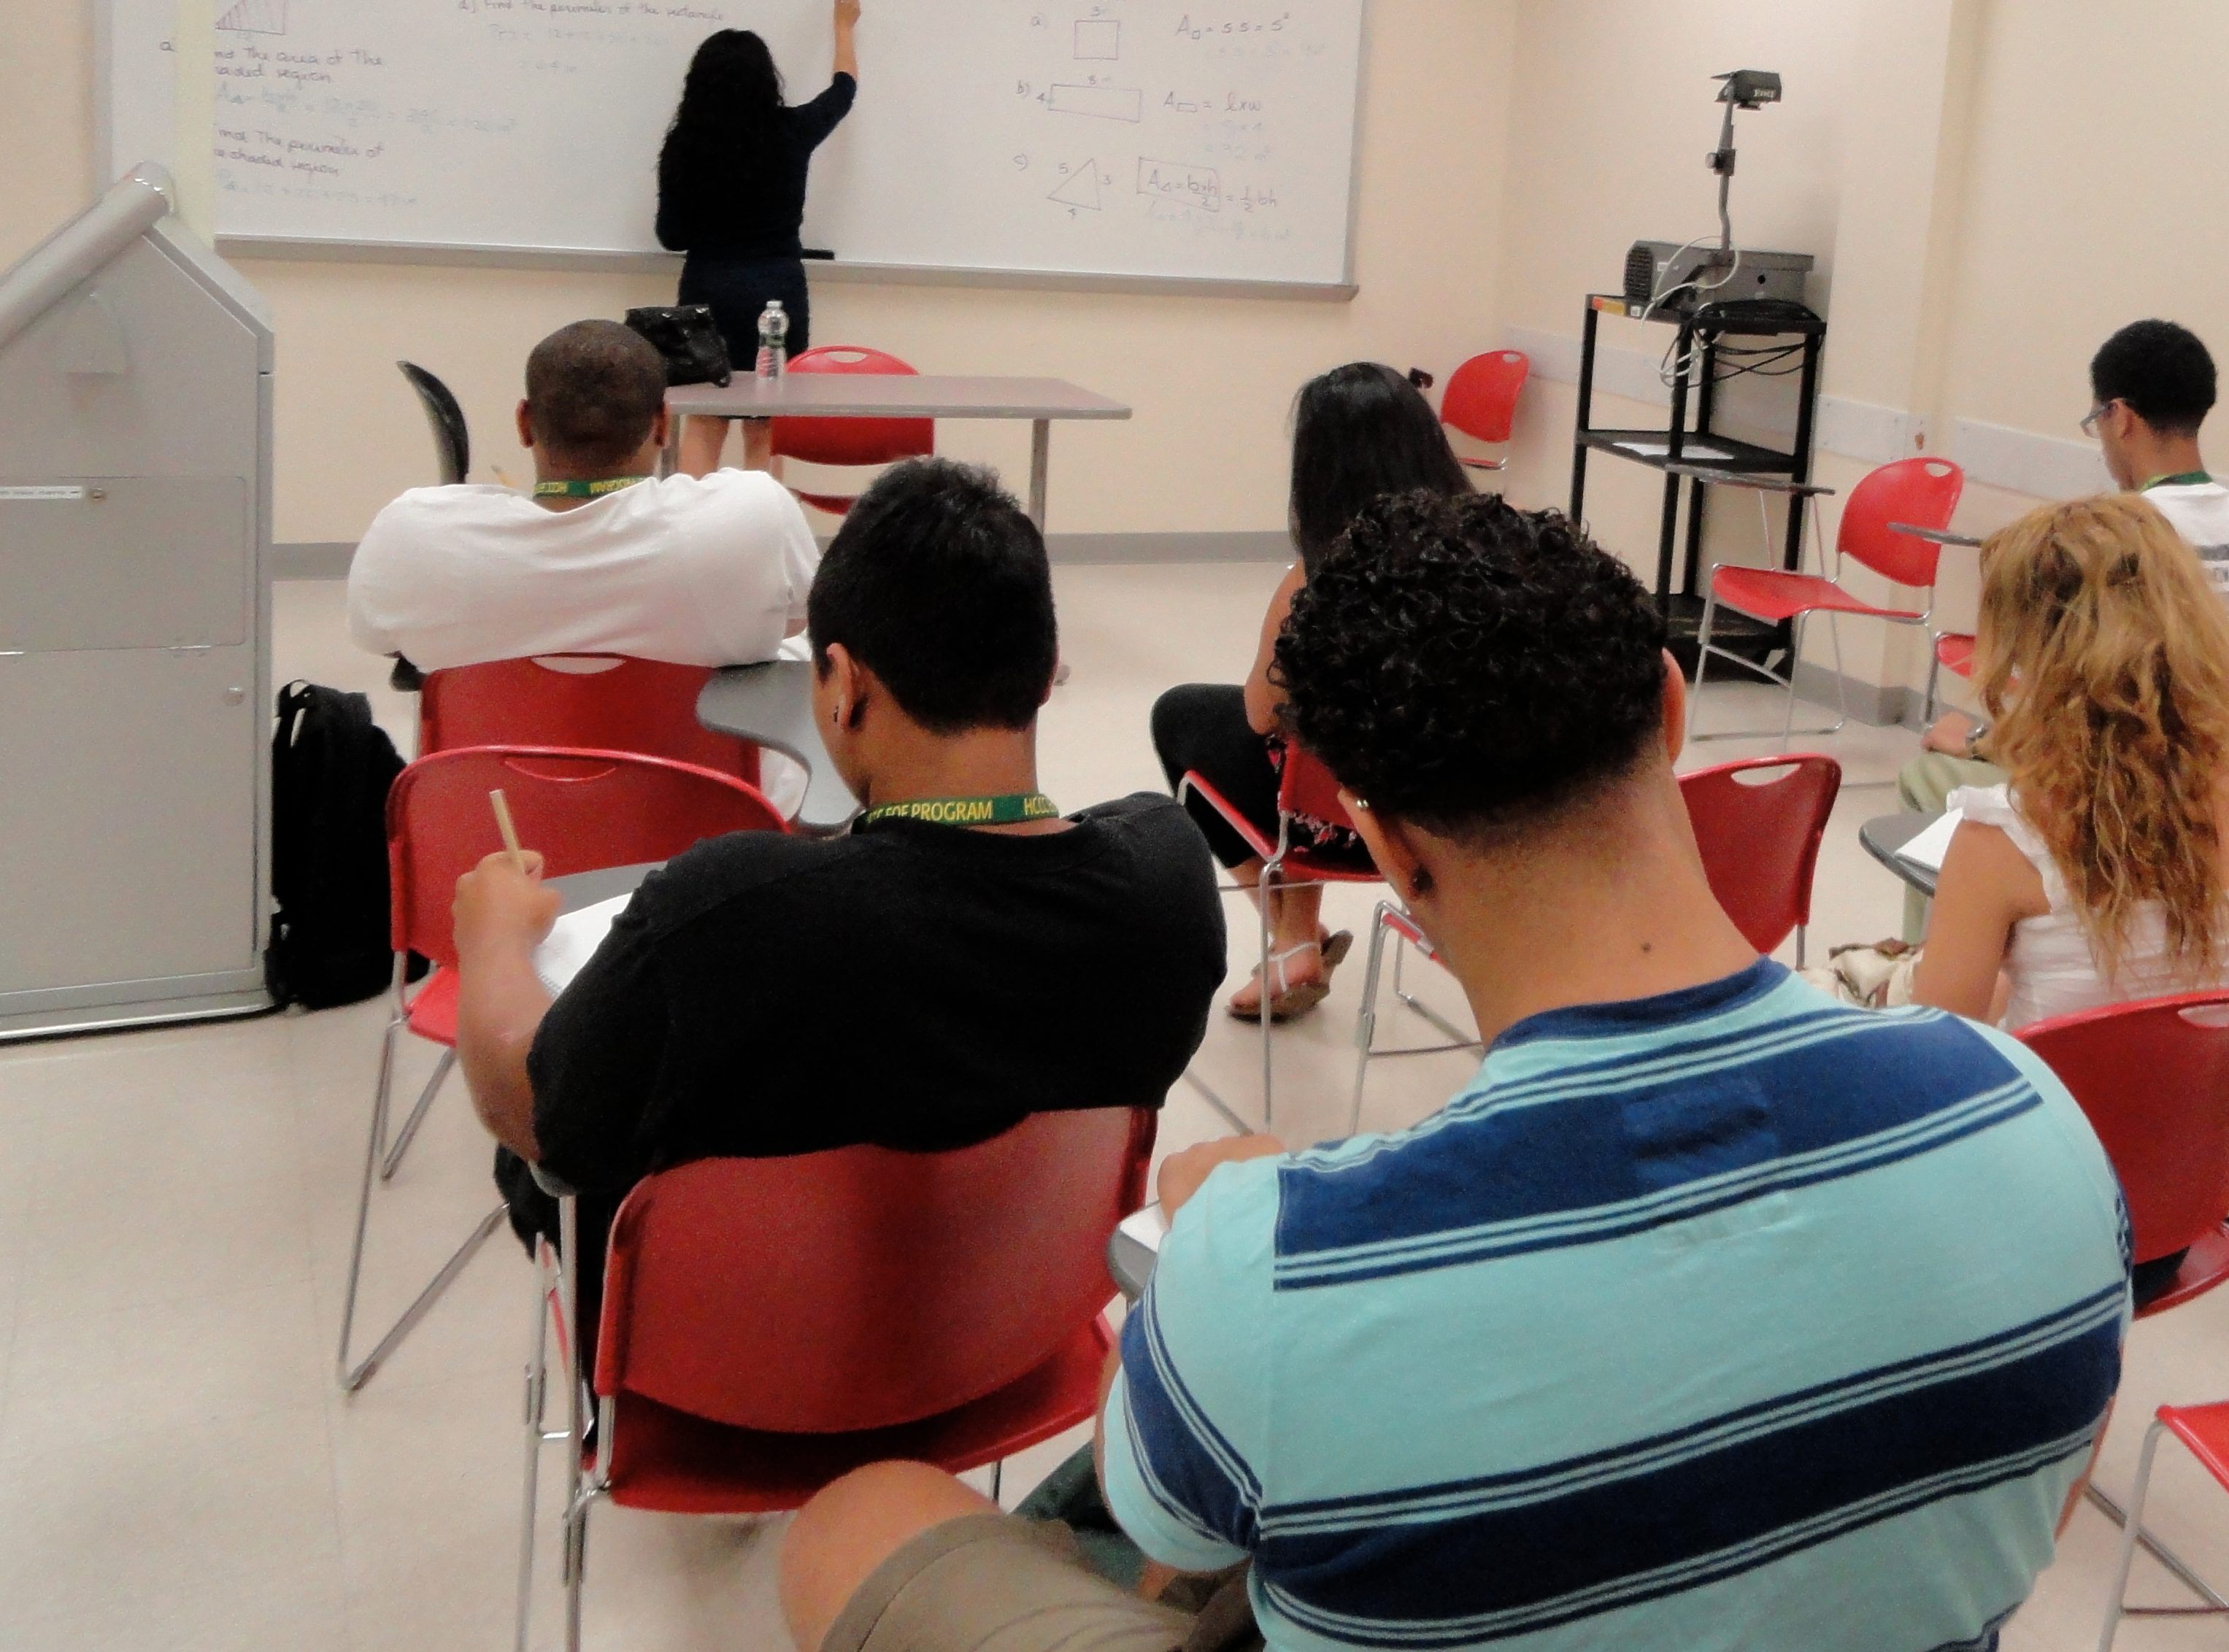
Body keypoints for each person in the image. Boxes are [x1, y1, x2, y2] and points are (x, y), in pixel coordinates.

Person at [780, 492, 2131, 1652]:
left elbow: (1166, 1520)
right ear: (1670, 711)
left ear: (1381, 841)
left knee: (859, 1522)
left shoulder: (1279, 1263)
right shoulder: (2039, 1124)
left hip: (1255, 1341)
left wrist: (1250, 1259)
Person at [450, 457, 1224, 1347]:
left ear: (846, 684)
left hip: (729, 1380)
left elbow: (533, 1113)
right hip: (1008, 1345)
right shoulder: (1167, 882)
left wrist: (496, 939)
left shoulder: (725, 915)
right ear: (1048, 672)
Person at [1910, 495, 2229, 1051]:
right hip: (2210, 1135)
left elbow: (1933, 1065)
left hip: (2059, 1134)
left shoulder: (2002, 842)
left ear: (2036, 659)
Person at [1149, 362, 1468, 1023]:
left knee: (1193, 717)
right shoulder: (1487, 549)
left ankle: (1293, 940)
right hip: (1453, 822)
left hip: (1347, 820)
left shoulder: (1315, 581)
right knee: (1318, 740)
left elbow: (1259, 712)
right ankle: (1298, 939)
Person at [1904, 319, 2229, 812]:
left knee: (1925, 775)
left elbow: (2078, 726)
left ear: (2120, 417)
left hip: (2156, 803)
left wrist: (1975, 739)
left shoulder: (2114, 535)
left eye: (2097, 420)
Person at [346, 318, 817, 674]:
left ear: (524, 424)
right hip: (704, 796)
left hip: (492, 802)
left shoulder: (413, 530)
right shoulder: (755, 513)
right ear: (661, 424)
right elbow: (794, 624)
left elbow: (381, 639)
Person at [658, 0, 861, 474]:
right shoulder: (791, 131)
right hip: (778, 291)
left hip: (706, 289)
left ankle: (695, 535)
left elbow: (671, 235)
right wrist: (844, 26)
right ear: (766, 79)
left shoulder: (686, 144)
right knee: (767, 424)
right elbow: (842, 92)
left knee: (705, 420)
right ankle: (762, 534)